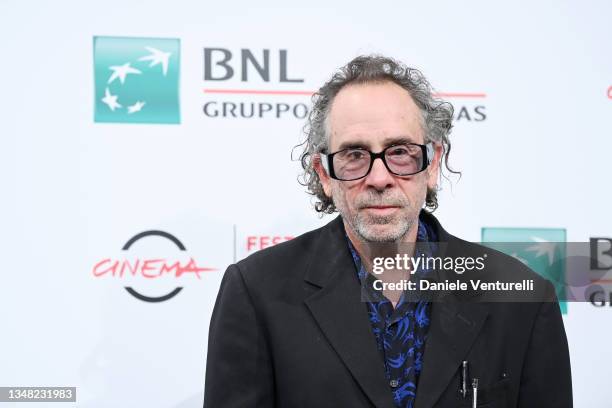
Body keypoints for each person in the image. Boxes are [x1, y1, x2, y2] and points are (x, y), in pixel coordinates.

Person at [203, 55, 572, 408]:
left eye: (400, 152)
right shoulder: (256, 292)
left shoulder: (524, 299)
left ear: (432, 165)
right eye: (354, 155)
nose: (379, 178)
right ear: (324, 175)